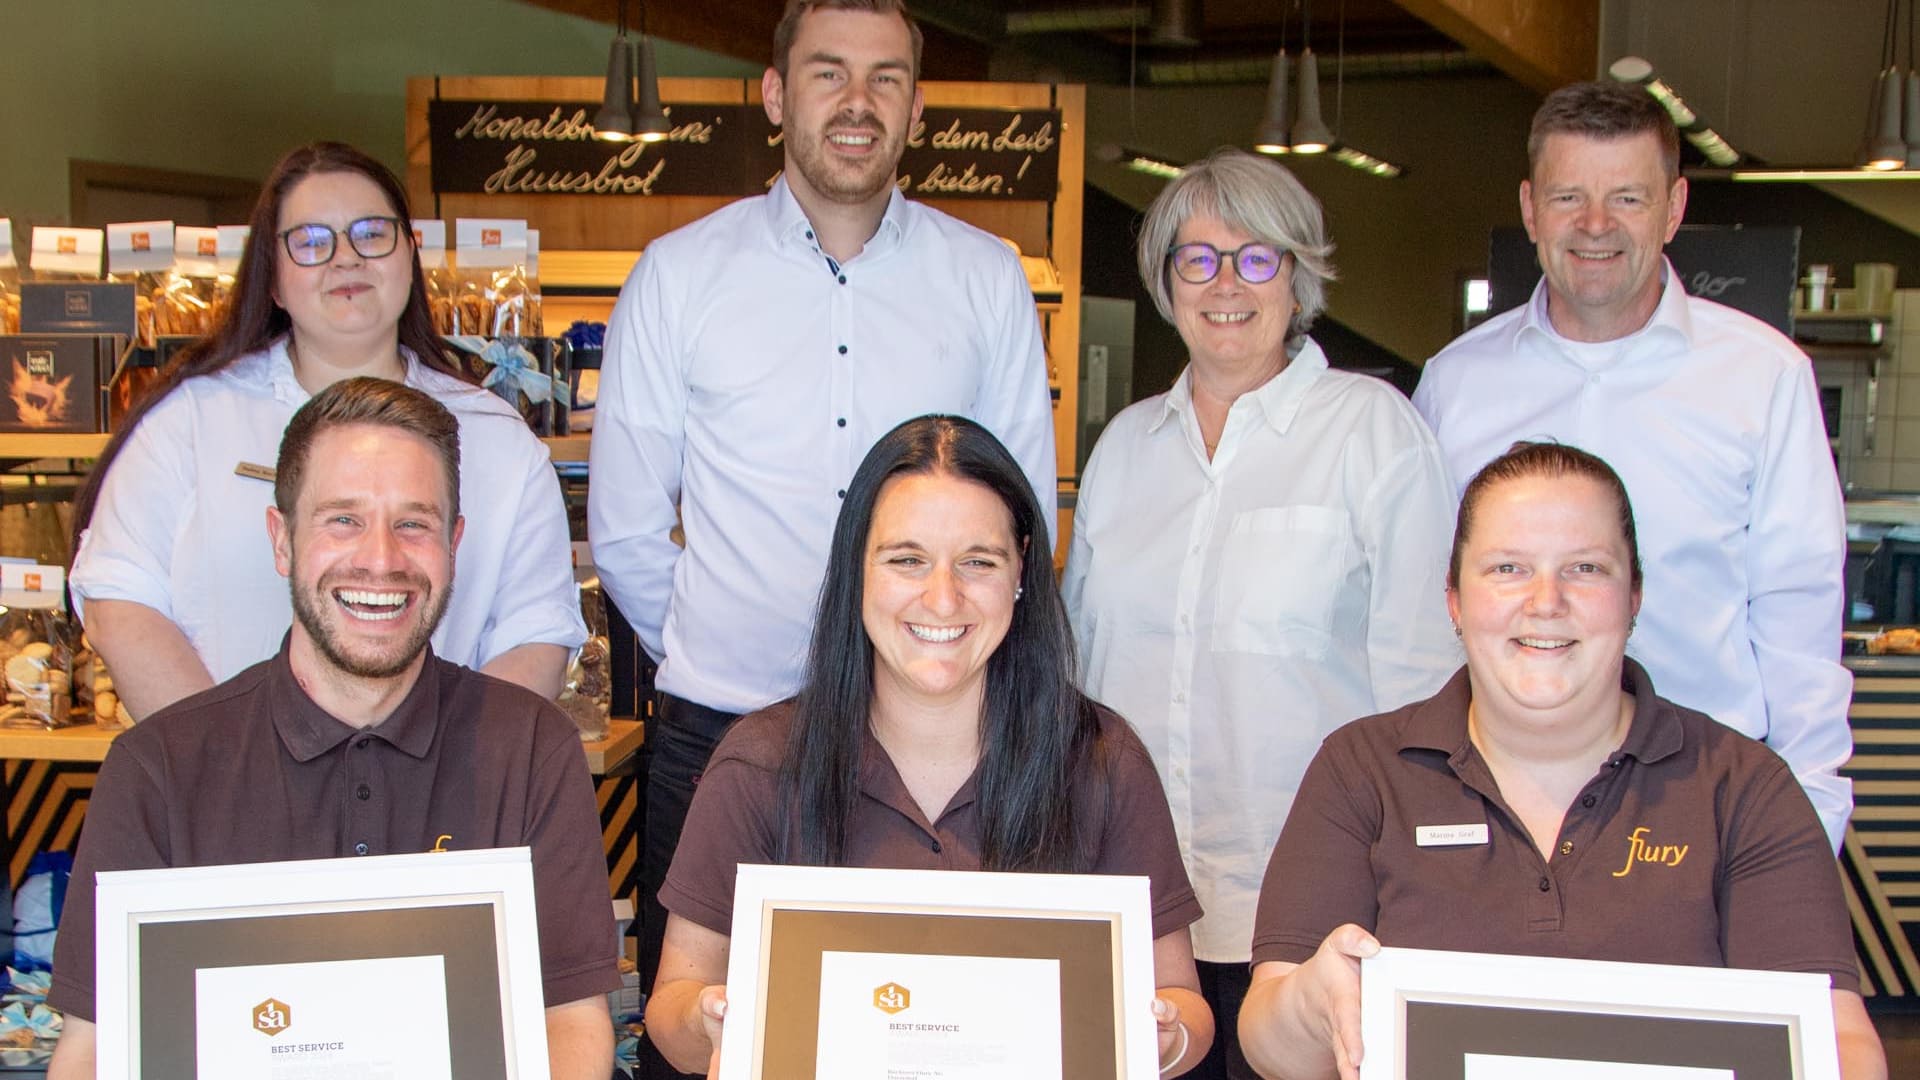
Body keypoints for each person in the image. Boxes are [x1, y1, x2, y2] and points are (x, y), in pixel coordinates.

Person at [588, 0, 1057, 1057]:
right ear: (774, 93)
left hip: (933, 752)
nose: (858, 102)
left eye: (886, 77)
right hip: (719, 736)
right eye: (828, 72)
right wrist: (731, 644)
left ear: (919, 107)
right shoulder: (679, 275)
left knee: (918, 1040)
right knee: (699, 1035)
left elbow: (1020, 519)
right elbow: (623, 529)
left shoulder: (985, 280)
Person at [1236, 442, 1885, 1080]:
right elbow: (1272, 1044)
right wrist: (1307, 1005)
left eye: (1586, 568)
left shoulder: (1744, 789)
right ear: (1455, 602)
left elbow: (1839, 1044)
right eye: (1507, 569)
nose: (1546, 601)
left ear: (1634, 599)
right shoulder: (1362, 770)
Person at [46, 379, 619, 1080]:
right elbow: (93, 1050)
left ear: (453, 543)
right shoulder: (158, 766)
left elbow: (572, 1023)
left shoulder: (529, 747)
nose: (381, 559)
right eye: (343, 520)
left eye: (414, 523)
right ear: (282, 541)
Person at [644, 415, 1211, 1077]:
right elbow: (672, 1004)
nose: (943, 599)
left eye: (978, 562)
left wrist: (1163, 1037)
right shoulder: (762, 762)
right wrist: (711, 1019)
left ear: (1021, 569)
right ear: (857, 568)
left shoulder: (1103, 761)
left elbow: (1183, 1004)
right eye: (906, 560)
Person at [1061, 147, 1455, 1080]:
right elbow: (1081, 669)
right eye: (1197, 259)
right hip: (1137, 898)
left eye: (1257, 257)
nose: (1226, 284)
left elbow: (1426, 679)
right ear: (1166, 283)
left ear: (1299, 273)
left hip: (1313, 907)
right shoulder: (1124, 449)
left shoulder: (1373, 433)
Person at [1412, 81, 1852, 850]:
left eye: (1627, 198)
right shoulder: (1455, 384)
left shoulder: (1762, 376)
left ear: (1675, 208)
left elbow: (1800, 617)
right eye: (1568, 197)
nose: (1594, 226)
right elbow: (1424, 610)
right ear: (1528, 208)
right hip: (1500, 814)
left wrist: (1811, 823)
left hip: (1709, 811)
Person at [70, 141, 584, 720]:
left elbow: (536, 630)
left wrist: (444, 780)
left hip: (436, 797)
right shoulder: (191, 420)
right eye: (311, 241)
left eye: (371, 233)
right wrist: (222, 769)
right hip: (230, 797)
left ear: (410, 256)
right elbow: (121, 598)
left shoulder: (497, 438)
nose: (346, 259)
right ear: (273, 278)